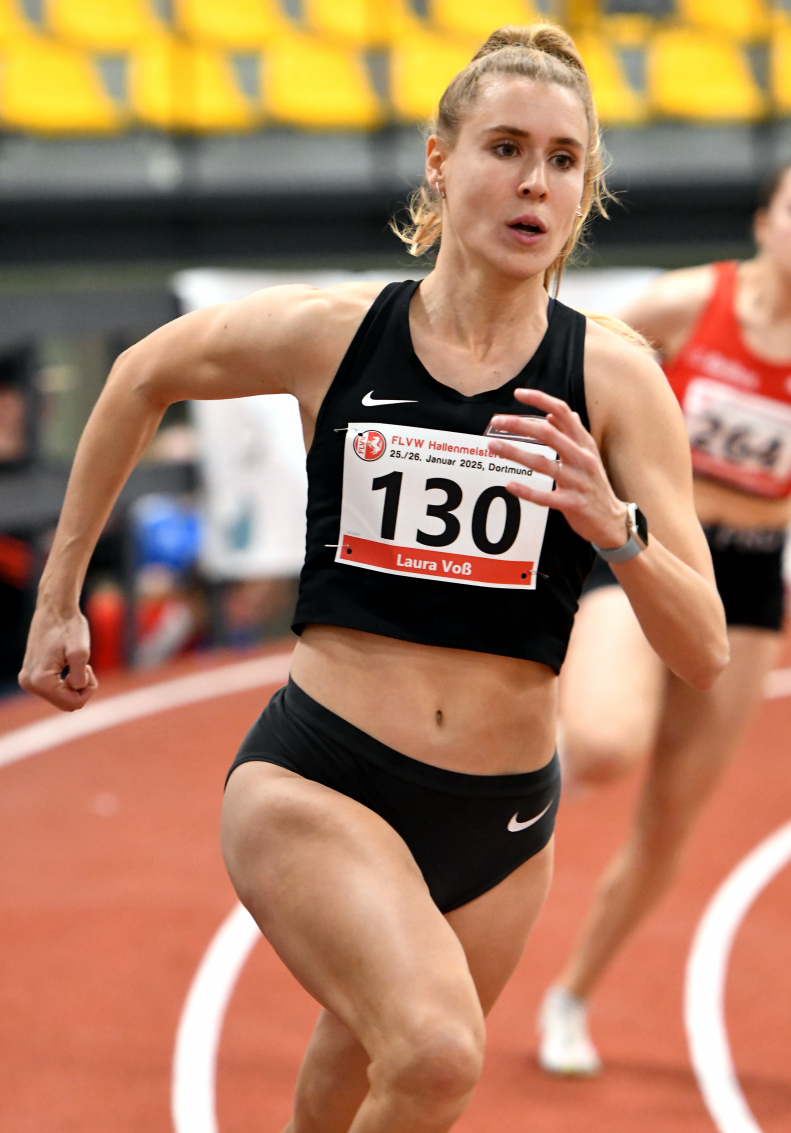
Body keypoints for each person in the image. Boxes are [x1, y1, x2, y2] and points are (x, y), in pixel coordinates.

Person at [19, 24, 727, 1133]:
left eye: (560, 159)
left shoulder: (614, 379)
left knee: (365, 1068)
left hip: (499, 823)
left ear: (582, 192)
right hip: (322, 777)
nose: (531, 181)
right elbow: (138, 374)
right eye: (502, 146)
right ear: (439, 161)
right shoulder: (334, 335)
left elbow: (702, 652)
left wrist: (617, 528)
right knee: (439, 1053)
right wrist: (58, 597)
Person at [538, 167, 791, 1077]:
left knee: (670, 819)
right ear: (766, 217)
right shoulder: (688, 303)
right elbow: (577, 369)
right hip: (643, 543)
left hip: (752, 578)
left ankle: (569, 996)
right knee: (603, 744)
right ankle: (482, 776)